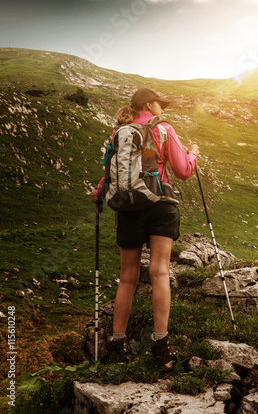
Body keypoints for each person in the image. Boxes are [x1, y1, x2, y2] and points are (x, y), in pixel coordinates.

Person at [91, 87, 199, 367]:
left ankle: (116, 347)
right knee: (159, 271)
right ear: (150, 105)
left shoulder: (119, 132)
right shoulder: (163, 128)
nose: (162, 108)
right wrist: (193, 154)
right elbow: (184, 171)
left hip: (127, 206)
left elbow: (111, 171)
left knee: (127, 277)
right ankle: (160, 348)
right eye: (159, 104)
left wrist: (100, 192)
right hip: (160, 203)